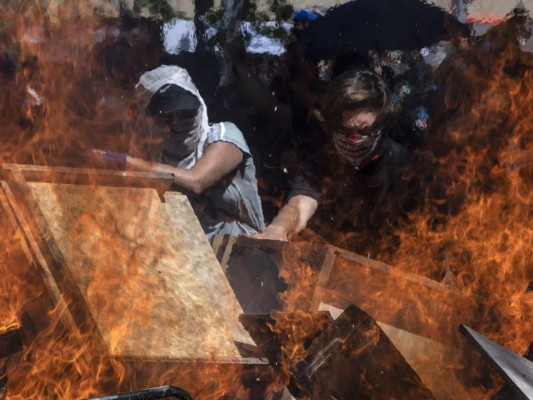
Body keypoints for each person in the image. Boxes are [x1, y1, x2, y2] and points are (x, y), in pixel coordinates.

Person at [94, 65, 265, 241]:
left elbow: (196, 182)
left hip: (241, 253)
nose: (180, 123)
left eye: (186, 113)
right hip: (183, 253)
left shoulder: (225, 136)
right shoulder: (150, 153)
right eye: (168, 116)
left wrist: (125, 163)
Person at [255, 69, 412, 244]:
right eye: (345, 131)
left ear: (381, 124)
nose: (354, 140)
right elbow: (299, 205)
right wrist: (278, 229)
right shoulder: (320, 164)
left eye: (364, 131)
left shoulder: (406, 165)